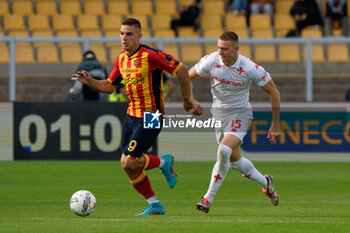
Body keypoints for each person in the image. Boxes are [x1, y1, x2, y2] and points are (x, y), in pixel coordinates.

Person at [71, 18, 202, 216]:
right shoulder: (121, 59)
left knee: (130, 161)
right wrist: (90, 81)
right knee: (128, 166)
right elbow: (110, 86)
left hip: (152, 115)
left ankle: (164, 163)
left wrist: (187, 99)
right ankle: (155, 204)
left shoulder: (151, 55)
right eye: (122, 33)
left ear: (139, 36)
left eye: (129, 34)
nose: (124, 37)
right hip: (131, 116)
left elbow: (181, 70)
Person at [189, 31, 281, 213]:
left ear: (236, 49)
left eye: (225, 49)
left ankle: (207, 199)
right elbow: (188, 75)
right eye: (219, 48)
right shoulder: (211, 60)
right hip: (218, 116)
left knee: (223, 149)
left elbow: (274, 93)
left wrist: (275, 125)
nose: (221, 52)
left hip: (241, 115)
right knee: (234, 162)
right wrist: (190, 100)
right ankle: (266, 183)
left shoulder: (249, 67)